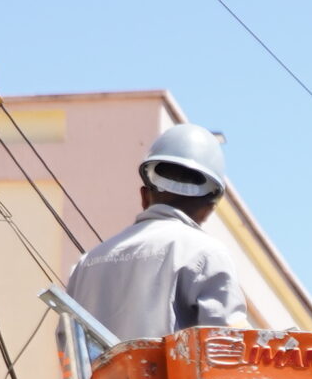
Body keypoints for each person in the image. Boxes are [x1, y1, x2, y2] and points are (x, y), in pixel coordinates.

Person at [64, 123, 252, 342]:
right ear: (209, 208)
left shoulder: (86, 264)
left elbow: (68, 349)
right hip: (172, 378)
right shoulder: (207, 254)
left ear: (144, 197)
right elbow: (229, 349)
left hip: (100, 378)